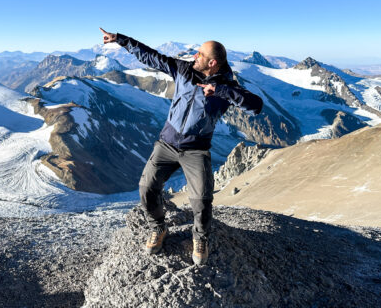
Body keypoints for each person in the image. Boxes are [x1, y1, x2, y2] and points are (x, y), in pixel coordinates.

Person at [99, 28, 263, 265]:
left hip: (196, 150)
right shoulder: (184, 70)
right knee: (147, 187)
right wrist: (121, 40)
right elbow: (152, 57)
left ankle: (201, 238)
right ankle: (158, 228)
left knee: (202, 199)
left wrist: (221, 91)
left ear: (212, 63)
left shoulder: (228, 87)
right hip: (166, 144)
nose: (195, 56)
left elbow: (256, 106)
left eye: (200, 54)